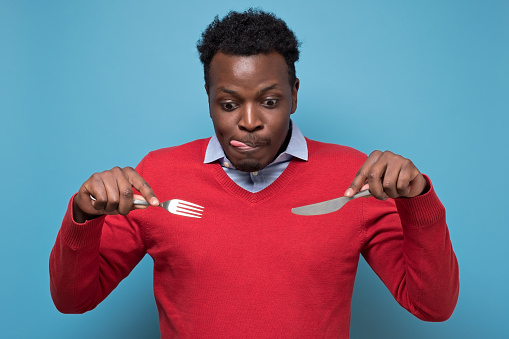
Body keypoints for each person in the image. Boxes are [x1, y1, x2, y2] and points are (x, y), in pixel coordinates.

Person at [50, 9, 459, 338]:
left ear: (294, 94)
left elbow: (432, 306)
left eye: (269, 101)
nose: (249, 121)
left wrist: (418, 198)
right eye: (228, 104)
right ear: (209, 99)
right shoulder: (156, 176)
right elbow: (73, 300)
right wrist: (84, 216)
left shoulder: (355, 180)